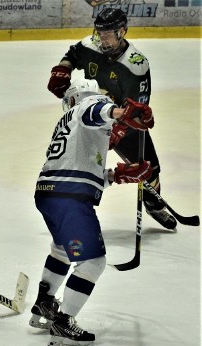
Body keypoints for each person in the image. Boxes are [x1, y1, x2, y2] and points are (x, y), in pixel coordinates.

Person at [30, 79, 154, 346]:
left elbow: (82, 168)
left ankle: (44, 303)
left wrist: (118, 175)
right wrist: (122, 113)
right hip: (68, 198)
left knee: (62, 250)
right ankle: (64, 323)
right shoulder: (89, 103)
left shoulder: (69, 124)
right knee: (93, 262)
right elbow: (97, 111)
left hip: (48, 194)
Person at [46, 7, 176, 230]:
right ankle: (71, 210)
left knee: (149, 168)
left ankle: (153, 204)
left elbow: (136, 110)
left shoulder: (135, 65)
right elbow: (72, 54)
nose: (102, 38)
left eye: (108, 33)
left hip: (122, 120)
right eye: (99, 32)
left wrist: (118, 132)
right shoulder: (89, 45)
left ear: (122, 31)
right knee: (80, 166)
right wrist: (63, 69)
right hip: (91, 118)